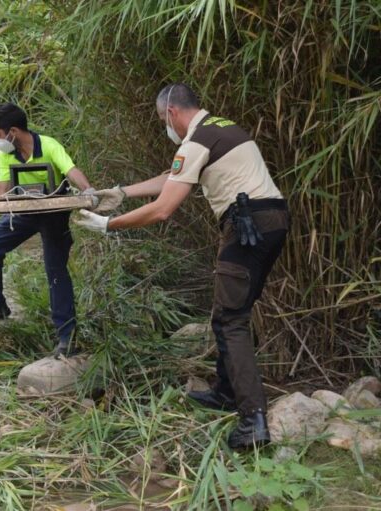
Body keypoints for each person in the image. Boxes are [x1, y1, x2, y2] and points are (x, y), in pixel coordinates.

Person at [75, 83, 289, 449]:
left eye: (162, 119)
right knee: (230, 311)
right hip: (271, 221)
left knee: (230, 321)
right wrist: (123, 192)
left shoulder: (196, 140)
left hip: (246, 227)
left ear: (172, 112)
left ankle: (253, 420)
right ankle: (225, 392)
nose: (164, 126)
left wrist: (109, 225)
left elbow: (163, 208)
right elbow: (173, 177)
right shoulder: (219, 128)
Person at [0, 102, 97, 358]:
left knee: (55, 269)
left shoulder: (49, 145)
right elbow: (2, 189)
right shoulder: (6, 154)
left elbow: (71, 170)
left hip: (54, 214)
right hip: (23, 212)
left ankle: (66, 336)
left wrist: (88, 189)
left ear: (13, 131)